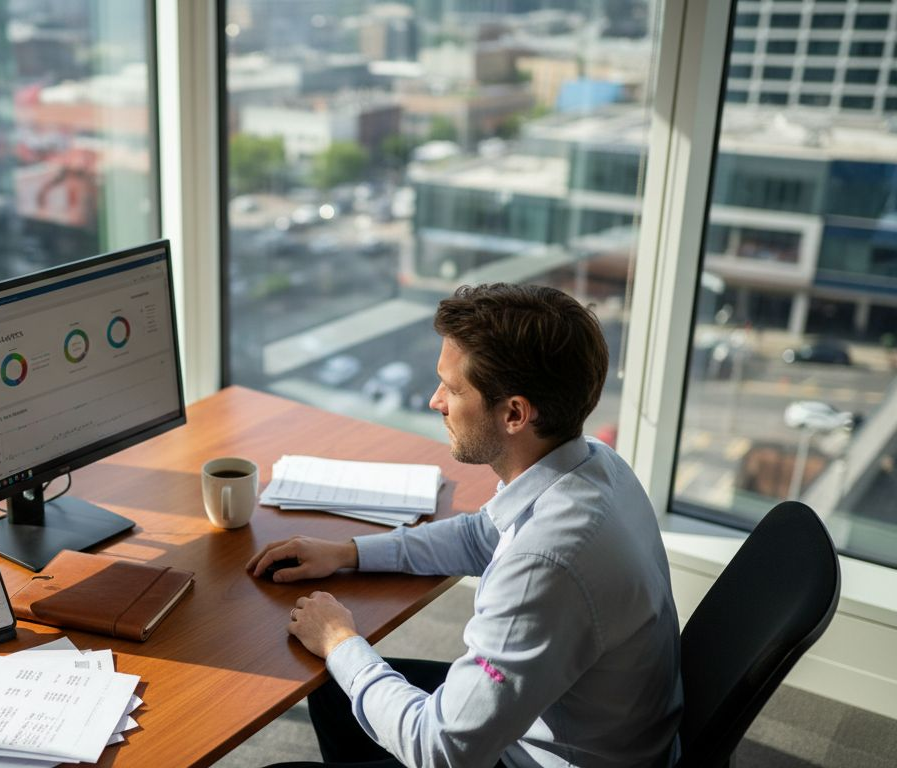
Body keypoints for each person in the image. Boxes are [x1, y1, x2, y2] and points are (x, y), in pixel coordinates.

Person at [247, 284, 682, 768]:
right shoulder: (595, 464)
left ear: (514, 413)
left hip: (538, 757)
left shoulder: (545, 563)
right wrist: (349, 552)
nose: (436, 402)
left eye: (453, 389)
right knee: (335, 694)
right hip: (583, 722)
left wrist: (341, 640)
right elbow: (481, 535)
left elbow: (442, 751)